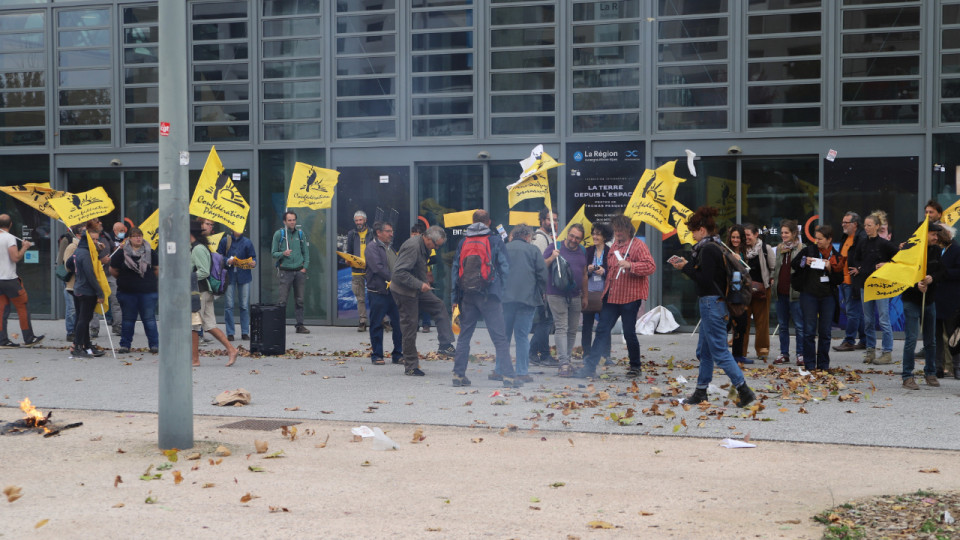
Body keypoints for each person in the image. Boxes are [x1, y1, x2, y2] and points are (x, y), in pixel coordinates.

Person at [670, 206, 755, 408]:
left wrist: (685, 267)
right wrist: (689, 265)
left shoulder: (707, 249)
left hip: (711, 303)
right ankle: (701, 391)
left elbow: (704, 279)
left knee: (719, 351)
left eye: (693, 230)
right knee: (706, 351)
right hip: (715, 303)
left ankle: (744, 390)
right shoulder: (716, 246)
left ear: (701, 229)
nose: (692, 234)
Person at [573, 214, 656, 379]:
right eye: (616, 230)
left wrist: (631, 265)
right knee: (602, 330)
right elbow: (611, 271)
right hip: (612, 296)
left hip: (630, 297)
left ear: (628, 229)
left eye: (621, 229)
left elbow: (650, 266)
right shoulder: (614, 247)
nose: (618, 233)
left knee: (628, 332)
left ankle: (635, 366)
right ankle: (590, 367)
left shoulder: (638, 246)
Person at [450, 210, 518, 388]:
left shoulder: (463, 241)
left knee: (464, 336)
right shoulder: (495, 240)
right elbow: (505, 268)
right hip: (490, 295)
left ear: (472, 222)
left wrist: (454, 297)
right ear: (489, 222)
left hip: (468, 295)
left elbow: (456, 270)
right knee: (499, 337)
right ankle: (509, 377)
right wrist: (501, 291)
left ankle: (458, 375)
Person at [391, 225, 456, 376]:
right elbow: (399, 272)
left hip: (416, 288)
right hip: (404, 292)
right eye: (436, 245)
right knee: (410, 327)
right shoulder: (413, 247)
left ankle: (445, 344)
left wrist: (424, 279)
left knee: (439, 306)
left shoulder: (424, 245)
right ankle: (411, 366)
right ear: (427, 239)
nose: (437, 249)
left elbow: (416, 267)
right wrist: (420, 284)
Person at [500, 224, 547, 383]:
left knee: (504, 336)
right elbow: (542, 275)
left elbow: (497, 271)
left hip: (506, 300)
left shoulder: (505, 248)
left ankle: (500, 369)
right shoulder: (533, 250)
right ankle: (521, 372)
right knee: (522, 337)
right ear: (527, 236)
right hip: (527, 299)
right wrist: (542, 292)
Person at [792, 225, 843, 371]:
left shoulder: (836, 255)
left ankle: (823, 365)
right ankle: (809, 365)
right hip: (809, 295)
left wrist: (830, 269)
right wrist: (804, 261)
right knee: (809, 331)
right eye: (816, 238)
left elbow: (839, 279)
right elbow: (795, 264)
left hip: (828, 297)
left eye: (820, 239)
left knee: (825, 332)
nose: (817, 241)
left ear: (829, 240)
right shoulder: (809, 250)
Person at [849, 212, 897, 364]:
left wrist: (887, 264)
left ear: (877, 226)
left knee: (884, 319)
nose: (867, 228)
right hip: (865, 285)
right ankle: (870, 350)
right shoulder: (862, 242)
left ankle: (887, 352)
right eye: (865, 225)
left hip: (881, 286)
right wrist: (859, 268)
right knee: (868, 320)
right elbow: (856, 258)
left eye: (870, 225)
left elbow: (899, 256)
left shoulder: (884, 244)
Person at [190, 221, 239, 367]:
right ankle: (231, 350)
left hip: (198, 292)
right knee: (209, 325)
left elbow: (204, 271)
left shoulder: (197, 249)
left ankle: (195, 360)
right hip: (203, 291)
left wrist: (185, 278)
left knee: (193, 326)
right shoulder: (196, 247)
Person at [900, 223, 941, 389]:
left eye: (937, 235)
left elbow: (942, 271)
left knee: (931, 341)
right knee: (911, 339)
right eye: (933, 234)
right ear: (923, 234)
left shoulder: (936, 250)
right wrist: (915, 284)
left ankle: (930, 372)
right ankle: (907, 376)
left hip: (929, 300)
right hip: (911, 300)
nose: (936, 237)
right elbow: (902, 274)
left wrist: (932, 278)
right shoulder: (908, 249)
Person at [544, 224, 589, 375]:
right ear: (567, 234)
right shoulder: (554, 246)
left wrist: (585, 295)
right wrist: (552, 257)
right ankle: (563, 363)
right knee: (562, 327)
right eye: (572, 236)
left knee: (572, 329)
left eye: (577, 238)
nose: (574, 240)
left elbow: (584, 274)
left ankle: (567, 361)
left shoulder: (582, 251)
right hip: (556, 293)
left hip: (575, 295)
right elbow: (542, 266)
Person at [109, 227, 159, 354]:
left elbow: (157, 269)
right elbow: (113, 270)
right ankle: (125, 345)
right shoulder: (121, 253)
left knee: (149, 320)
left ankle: (154, 345)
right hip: (127, 293)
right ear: (129, 238)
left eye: (140, 236)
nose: (138, 238)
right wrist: (124, 280)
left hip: (148, 292)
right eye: (135, 236)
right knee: (128, 320)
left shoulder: (150, 252)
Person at [0, 214, 43, 348]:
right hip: (10, 279)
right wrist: (25, 246)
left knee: (2, 310)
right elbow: (15, 257)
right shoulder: (9, 238)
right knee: (22, 307)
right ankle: (29, 338)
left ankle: (2, 340)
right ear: (11, 224)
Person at [365, 221, 402, 365]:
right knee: (376, 324)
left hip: (394, 292)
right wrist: (395, 280)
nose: (391, 234)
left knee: (398, 324)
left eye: (391, 231)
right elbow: (378, 268)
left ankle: (398, 354)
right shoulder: (372, 247)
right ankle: (377, 355)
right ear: (379, 233)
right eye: (388, 231)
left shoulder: (390, 248)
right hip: (378, 292)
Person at [271, 211, 310, 334]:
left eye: (294, 220)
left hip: (299, 271)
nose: (292, 222)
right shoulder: (279, 234)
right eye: (289, 220)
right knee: (282, 300)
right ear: (284, 221)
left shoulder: (300, 234)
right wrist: (283, 253)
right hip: (285, 271)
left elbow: (306, 252)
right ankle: (278, 325)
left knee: (300, 300)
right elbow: (273, 253)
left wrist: (305, 267)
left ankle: (300, 325)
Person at [833, 212, 867, 352]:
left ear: (855, 224)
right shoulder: (845, 237)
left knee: (852, 312)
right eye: (843, 222)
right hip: (845, 280)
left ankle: (849, 340)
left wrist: (860, 268)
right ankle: (865, 340)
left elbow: (867, 257)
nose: (843, 225)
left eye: (846, 222)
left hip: (854, 282)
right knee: (856, 312)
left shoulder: (861, 238)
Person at [772, 220, 805, 366]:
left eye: (787, 232)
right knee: (783, 325)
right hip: (781, 292)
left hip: (795, 293)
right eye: (782, 232)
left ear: (794, 233)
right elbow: (776, 268)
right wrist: (773, 280)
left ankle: (801, 354)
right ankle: (784, 353)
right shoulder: (779, 248)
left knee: (799, 325)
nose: (783, 235)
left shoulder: (801, 248)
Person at [741, 224, 775, 362]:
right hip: (744, 291)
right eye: (744, 235)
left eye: (748, 235)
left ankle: (762, 350)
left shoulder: (765, 249)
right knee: (743, 322)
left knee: (762, 322)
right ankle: (741, 351)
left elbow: (773, 268)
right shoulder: (741, 250)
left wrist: (771, 280)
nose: (746, 238)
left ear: (756, 234)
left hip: (762, 290)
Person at [529, 207, 558, 366]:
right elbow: (539, 266)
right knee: (546, 321)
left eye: (555, 220)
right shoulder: (540, 238)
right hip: (542, 287)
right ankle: (533, 352)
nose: (553, 222)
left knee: (545, 321)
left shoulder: (548, 237)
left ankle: (544, 355)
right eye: (550, 219)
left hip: (543, 287)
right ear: (542, 220)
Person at [931, 223, 960, 379]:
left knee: (953, 335)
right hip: (935, 298)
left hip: (951, 298)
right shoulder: (935, 250)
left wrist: (942, 273)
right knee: (936, 336)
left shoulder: (955, 249)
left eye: (937, 235)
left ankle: (956, 367)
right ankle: (937, 367)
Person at [70, 228, 105, 358]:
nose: (96, 242)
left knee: (83, 318)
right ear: (87, 239)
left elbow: (69, 263)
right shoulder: (85, 254)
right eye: (93, 239)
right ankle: (78, 347)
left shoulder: (79, 251)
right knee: (84, 319)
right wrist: (99, 292)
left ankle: (86, 345)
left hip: (79, 288)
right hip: (86, 290)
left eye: (97, 239)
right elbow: (91, 275)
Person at [218, 227, 257, 341]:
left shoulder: (247, 242)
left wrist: (253, 262)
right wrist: (227, 261)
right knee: (229, 305)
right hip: (229, 275)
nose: (239, 230)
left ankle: (245, 331)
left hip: (244, 275)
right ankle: (230, 332)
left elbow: (253, 257)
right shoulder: (226, 241)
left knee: (244, 305)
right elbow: (219, 256)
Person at [581, 223, 611, 363]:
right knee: (587, 325)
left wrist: (604, 271)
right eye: (593, 233)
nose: (594, 236)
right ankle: (586, 353)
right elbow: (582, 271)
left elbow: (614, 271)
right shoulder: (587, 251)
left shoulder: (610, 252)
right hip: (589, 293)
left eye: (598, 234)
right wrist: (589, 269)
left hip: (605, 293)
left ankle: (606, 354)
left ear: (605, 236)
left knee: (604, 324)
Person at [726, 225, 750, 365]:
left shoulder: (743, 252)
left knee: (741, 324)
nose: (735, 240)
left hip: (741, 292)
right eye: (733, 237)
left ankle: (738, 354)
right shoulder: (725, 252)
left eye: (738, 238)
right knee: (727, 324)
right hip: (729, 293)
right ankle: (723, 356)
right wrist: (733, 260)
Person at [346, 210, 370, 332]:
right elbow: (348, 251)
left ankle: (382, 320)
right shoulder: (352, 234)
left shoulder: (372, 233)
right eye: (356, 220)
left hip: (371, 270)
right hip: (357, 270)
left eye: (360, 220)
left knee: (376, 296)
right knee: (360, 298)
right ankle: (362, 321)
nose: (358, 222)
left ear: (365, 220)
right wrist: (347, 259)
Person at [410, 222, 434, 333]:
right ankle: (414, 325)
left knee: (426, 302)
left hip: (424, 277)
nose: (414, 236)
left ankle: (426, 324)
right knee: (413, 303)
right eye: (412, 234)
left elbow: (434, 260)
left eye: (416, 234)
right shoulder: (408, 245)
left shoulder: (428, 246)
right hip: (412, 279)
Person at [58, 225, 82, 341]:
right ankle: (71, 331)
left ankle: (77, 330)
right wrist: (63, 273)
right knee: (71, 307)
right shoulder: (68, 240)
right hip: (70, 278)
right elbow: (61, 259)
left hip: (79, 279)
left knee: (77, 306)